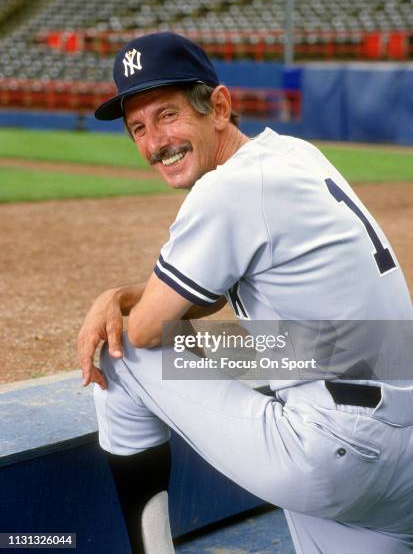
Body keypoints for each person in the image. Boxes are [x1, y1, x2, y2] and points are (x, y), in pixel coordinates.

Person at [77, 31, 413, 554]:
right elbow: (205, 292)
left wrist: (113, 303)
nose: (154, 143)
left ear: (219, 105)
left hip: (337, 448)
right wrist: (121, 294)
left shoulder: (226, 188)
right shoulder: (292, 153)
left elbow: (144, 330)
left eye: (166, 116)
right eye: (137, 128)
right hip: (399, 447)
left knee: (120, 353)